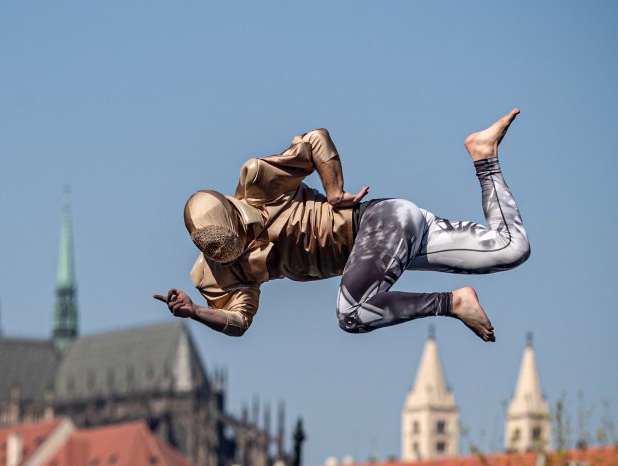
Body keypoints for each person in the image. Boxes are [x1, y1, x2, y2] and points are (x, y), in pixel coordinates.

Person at [154, 110, 529, 342]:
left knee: (351, 314)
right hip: (395, 243)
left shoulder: (257, 182)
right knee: (511, 248)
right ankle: (485, 156)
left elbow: (316, 139)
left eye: (245, 236)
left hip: (378, 225)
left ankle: (452, 303)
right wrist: (195, 312)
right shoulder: (218, 273)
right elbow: (238, 320)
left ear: (236, 213)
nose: (248, 247)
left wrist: (333, 192)